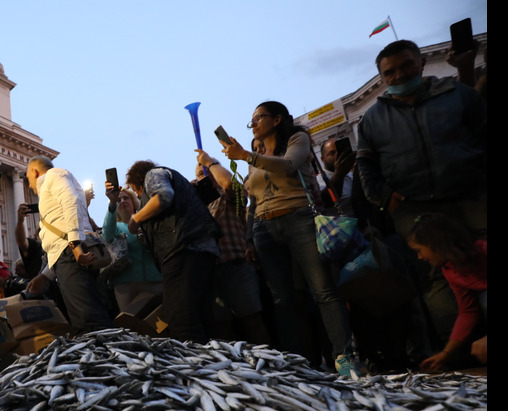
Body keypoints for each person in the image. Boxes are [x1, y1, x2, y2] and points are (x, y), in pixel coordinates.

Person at [356, 39, 487, 346]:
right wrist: (383, 197)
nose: (399, 75)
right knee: (437, 278)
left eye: (406, 66)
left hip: (472, 196)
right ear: (382, 78)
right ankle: (456, 353)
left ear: (421, 63)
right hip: (414, 207)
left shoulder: (457, 95)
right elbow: (366, 165)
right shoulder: (373, 118)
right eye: (390, 72)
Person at [220, 101, 360, 378]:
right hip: (264, 226)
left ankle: (343, 355)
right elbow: (252, 199)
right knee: (282, 299)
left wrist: (246, 155)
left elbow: (289, 165)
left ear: (277, 119)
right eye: (252, 121)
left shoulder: (297, 139)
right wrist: (249, 238)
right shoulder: (257, 151)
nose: (254, 124)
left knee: (323, 290)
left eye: (258, 118)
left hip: (299, 218)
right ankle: (296, 362)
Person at [124, 160, 219, 343]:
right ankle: (213, 360)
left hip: (181, 249)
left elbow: (163, 197)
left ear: (139, 183)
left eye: (137, 192)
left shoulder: (153, 175)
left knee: (180, 318)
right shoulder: (180, 181)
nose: (139, 197)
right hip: (203, 249)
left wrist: (136, 219)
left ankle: (195, 366)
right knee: (202, 314)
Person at [24, 156, 113, 334]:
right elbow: (58, 244)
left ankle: (108, 357)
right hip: (68, 256)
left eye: (27, 178)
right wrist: (45, 276)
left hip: (72, 255)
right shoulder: (52, 186)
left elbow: (70, 200)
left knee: (89, 320)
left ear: (34, 172)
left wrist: (75, 245)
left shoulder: (53, 175)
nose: (29, 184)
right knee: (84, 315)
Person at [193, 151, 271, 345]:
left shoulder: (226, 196)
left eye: (207, 172)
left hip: (236, 267)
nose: (204, 177)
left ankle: (271, 365)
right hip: (210, 273)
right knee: (222, 331)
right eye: (200, 175)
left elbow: (230, 185)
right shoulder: (196, 204)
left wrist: (210, 163)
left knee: (253, 323)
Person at [406, 214, 487, 371]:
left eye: (420, 250)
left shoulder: (483, 250)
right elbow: (468, 312)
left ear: (437, 244)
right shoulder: (450, 269)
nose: (420, 256)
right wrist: (446, 354)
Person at [101, 183, 162, 315]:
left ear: (134, 202)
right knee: (131, 322)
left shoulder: (147, 221)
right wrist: (112, 202)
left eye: (126, 198)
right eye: (119, 200)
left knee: (160, 321)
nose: (122, 201)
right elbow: (106, 235)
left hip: (154, 279)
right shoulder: (116, 227)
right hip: (125, 282)